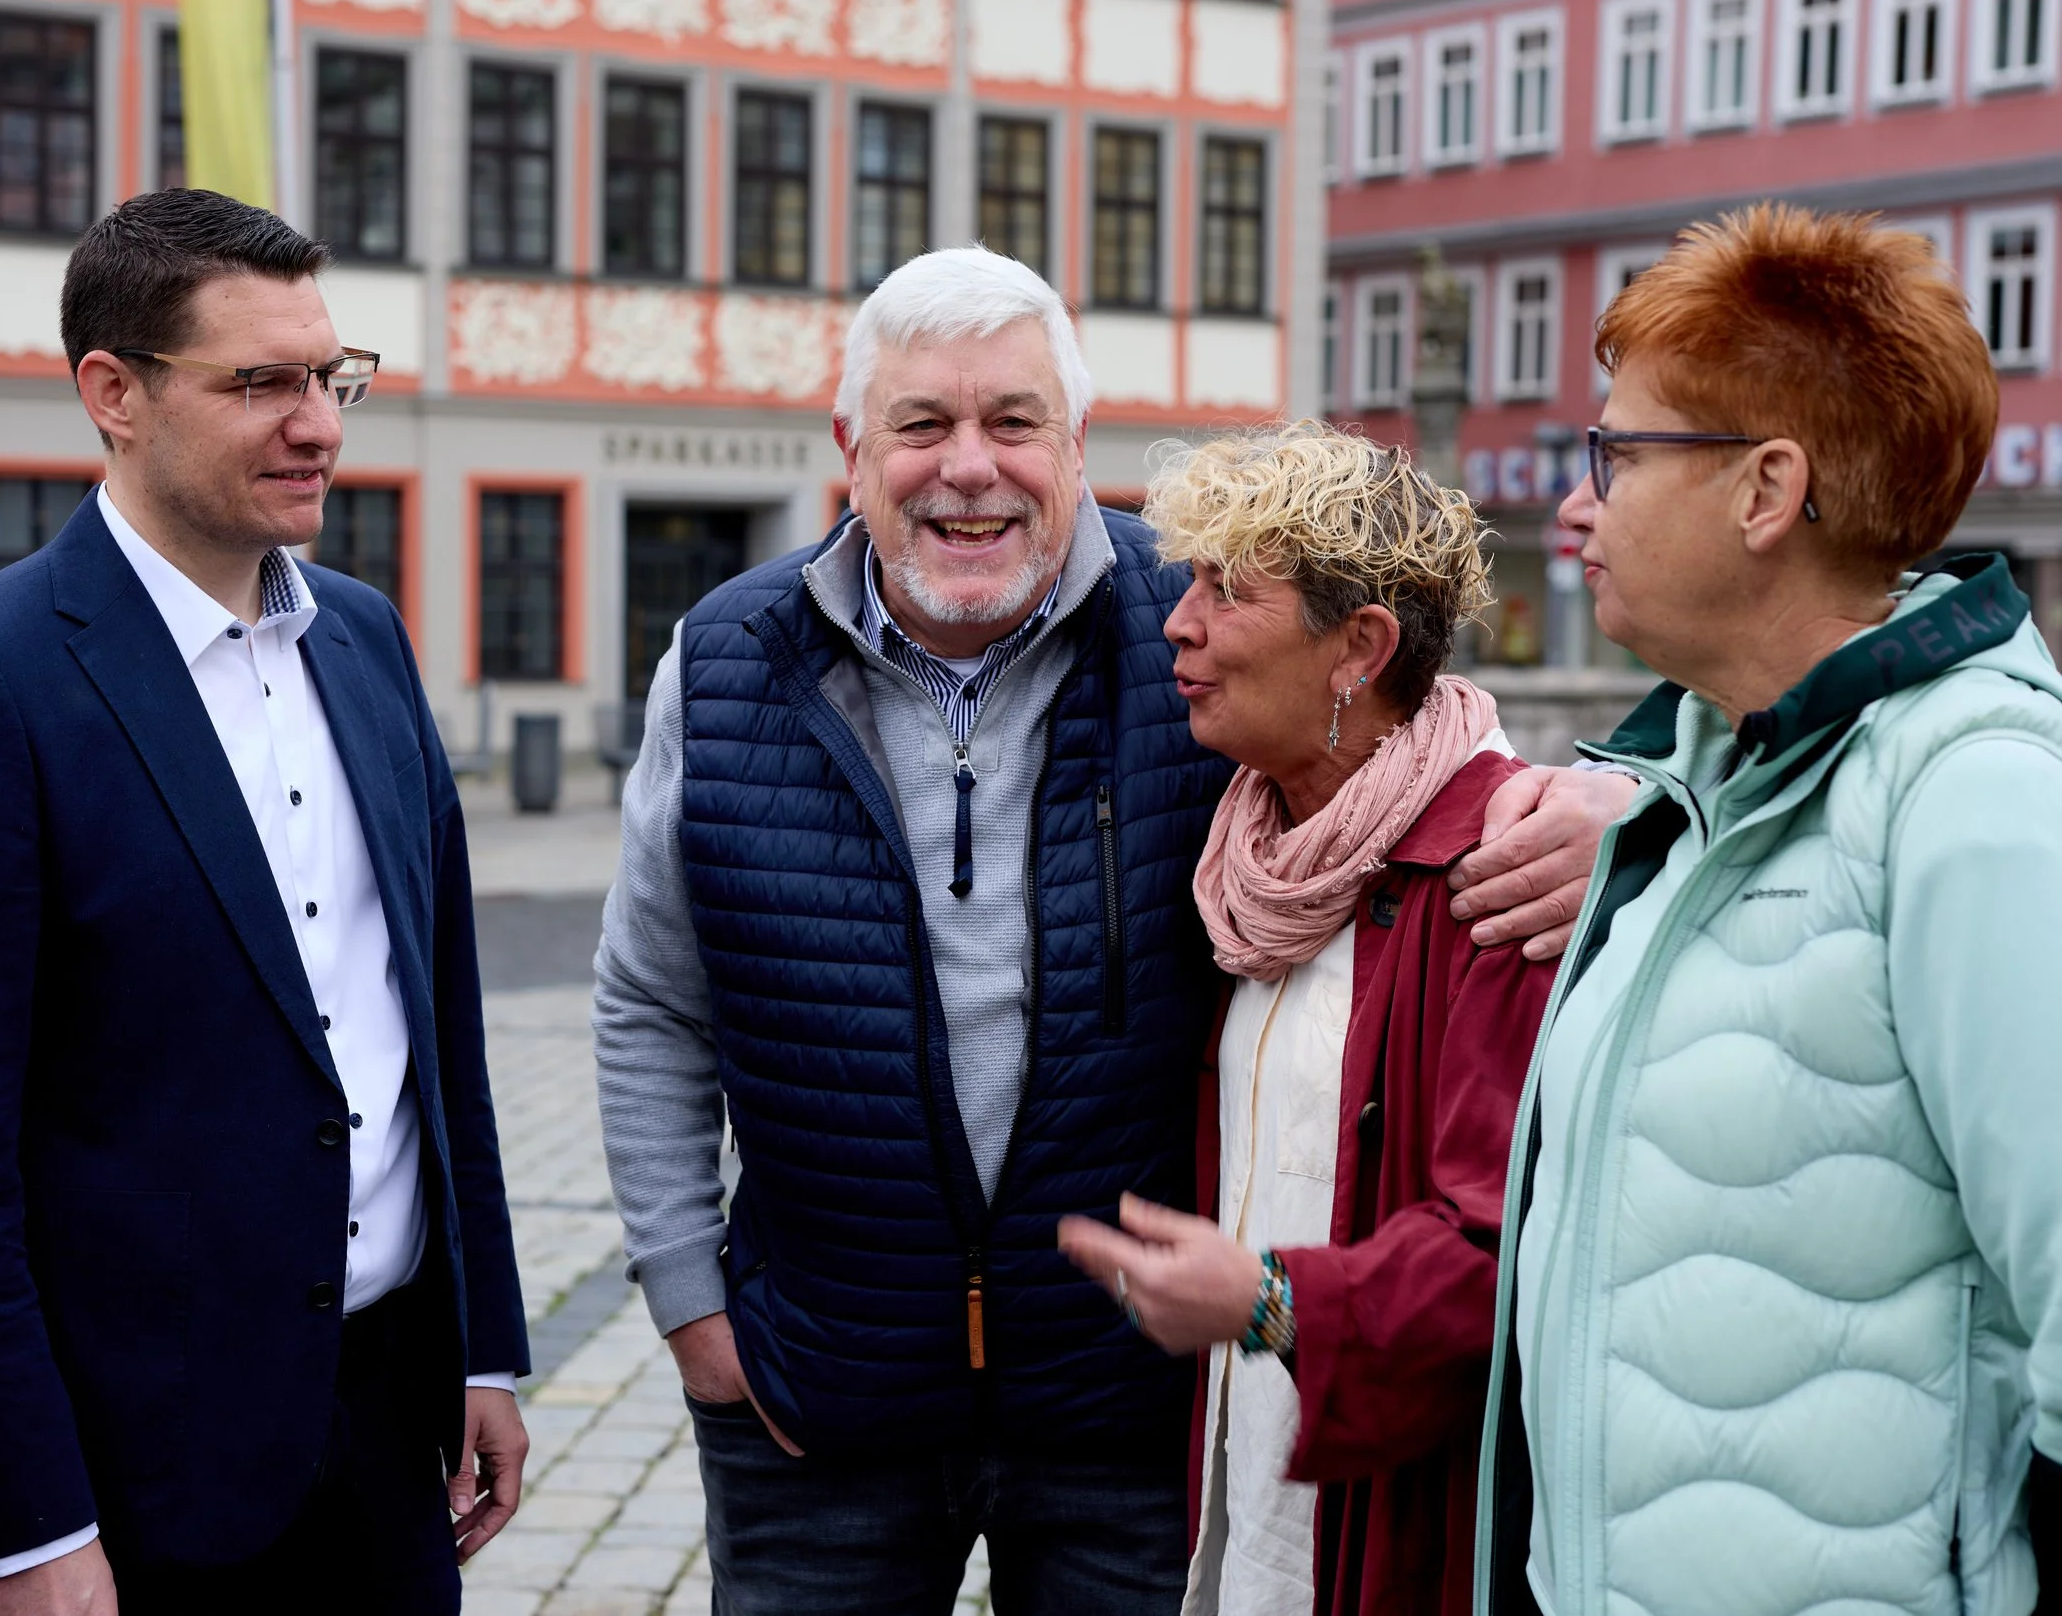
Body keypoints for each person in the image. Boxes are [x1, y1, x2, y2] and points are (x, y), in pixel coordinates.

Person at [591, 245, 1635, 1614]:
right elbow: (652, 1001)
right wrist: (692, 1308)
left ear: (1078, 444)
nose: (971, 466)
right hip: (819, 1402)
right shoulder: (728, 657)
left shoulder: (1197, 637)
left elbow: (1402, 736)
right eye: (922, 423)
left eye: (1014, 420)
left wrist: (1626, 798)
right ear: (852, 448)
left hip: (1128, 1412)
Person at [0, 189, 528, 1616]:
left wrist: (484, 1345)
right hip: (137, 1472)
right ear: (115, 394)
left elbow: (436, 1030)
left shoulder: (369, 640)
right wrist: (26, 1521)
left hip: (389, 1435)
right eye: (261, 383)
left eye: (331, 378)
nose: (319, 425)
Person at [1472, 203, 2062, 1615]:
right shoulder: (1702, 784)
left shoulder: (1974, 799)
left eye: (1619, 454)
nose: (1579, 501)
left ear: (1765, 490)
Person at [1056, 425, 1560, 1616]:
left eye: (1226, 591)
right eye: (1187, 582)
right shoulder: (1249, 848)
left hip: (1400, 1514)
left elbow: (1509, 1256)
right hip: (1245, 1486)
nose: (1178, 624)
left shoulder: (1500, 872)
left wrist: (1267, 1300)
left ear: (1359, 649)